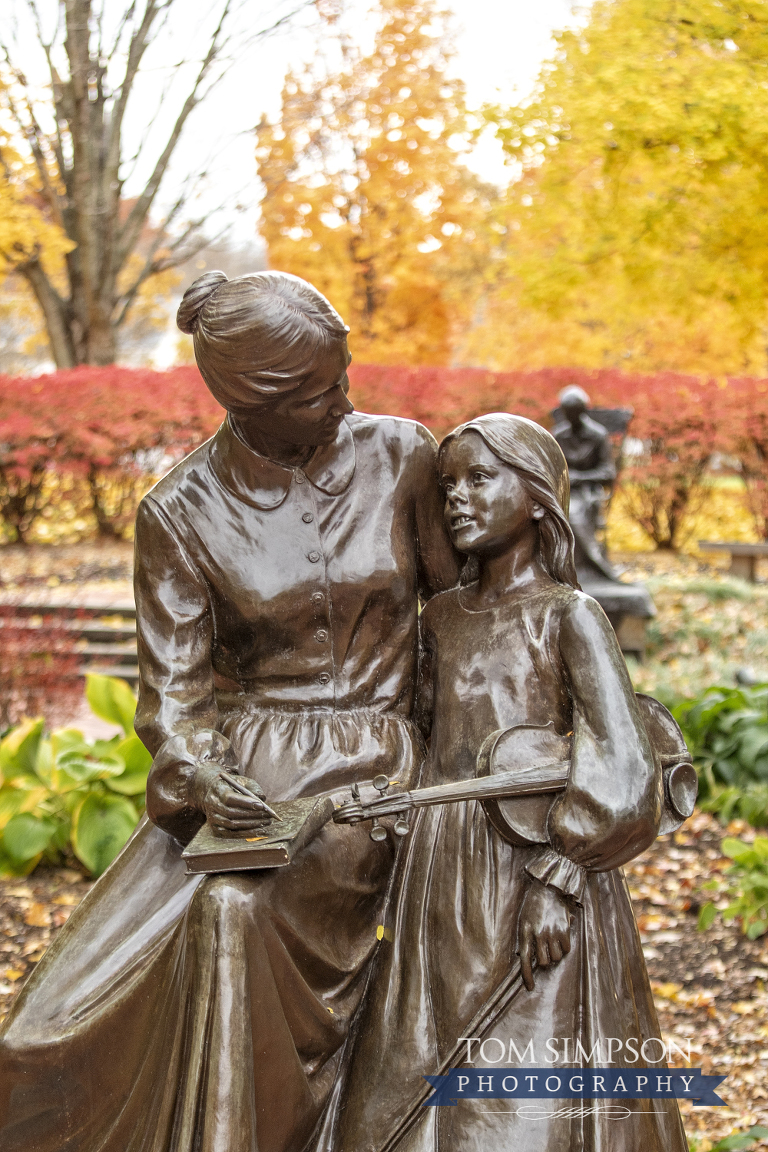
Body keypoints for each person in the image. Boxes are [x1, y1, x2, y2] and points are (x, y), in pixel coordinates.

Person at [0, 271, 459, 1152]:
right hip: (245, 791)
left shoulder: (403, 456)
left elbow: (463, 620)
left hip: (387, 768)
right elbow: (172, 703)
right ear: (251, 403)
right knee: (41, 1037)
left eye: (343, 374)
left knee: (233, 917)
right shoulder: (179, 511)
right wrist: (204, 777)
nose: (345, 401)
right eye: (318, 392)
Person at [330, 413, 688, 1152]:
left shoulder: (570, 616)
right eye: (448, 484)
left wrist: (561, 876)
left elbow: (624, 766)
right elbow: (421, 736)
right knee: (412, 1073)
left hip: (533, 865)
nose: (457, 498)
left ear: (535, 496)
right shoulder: (441, 618)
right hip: (438, 873)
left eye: (480, 478)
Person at [552, 384, 618, 580]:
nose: (570, 417)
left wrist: (580, 477)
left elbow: (608, 473)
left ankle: (588, 567)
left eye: (574, 412)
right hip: (562, 490)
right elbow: (551, 467)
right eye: (567, 412)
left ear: (583, 411)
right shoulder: (559, 435)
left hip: (588, 492)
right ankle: (554, 568)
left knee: (573, 512)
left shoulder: (598, 435)